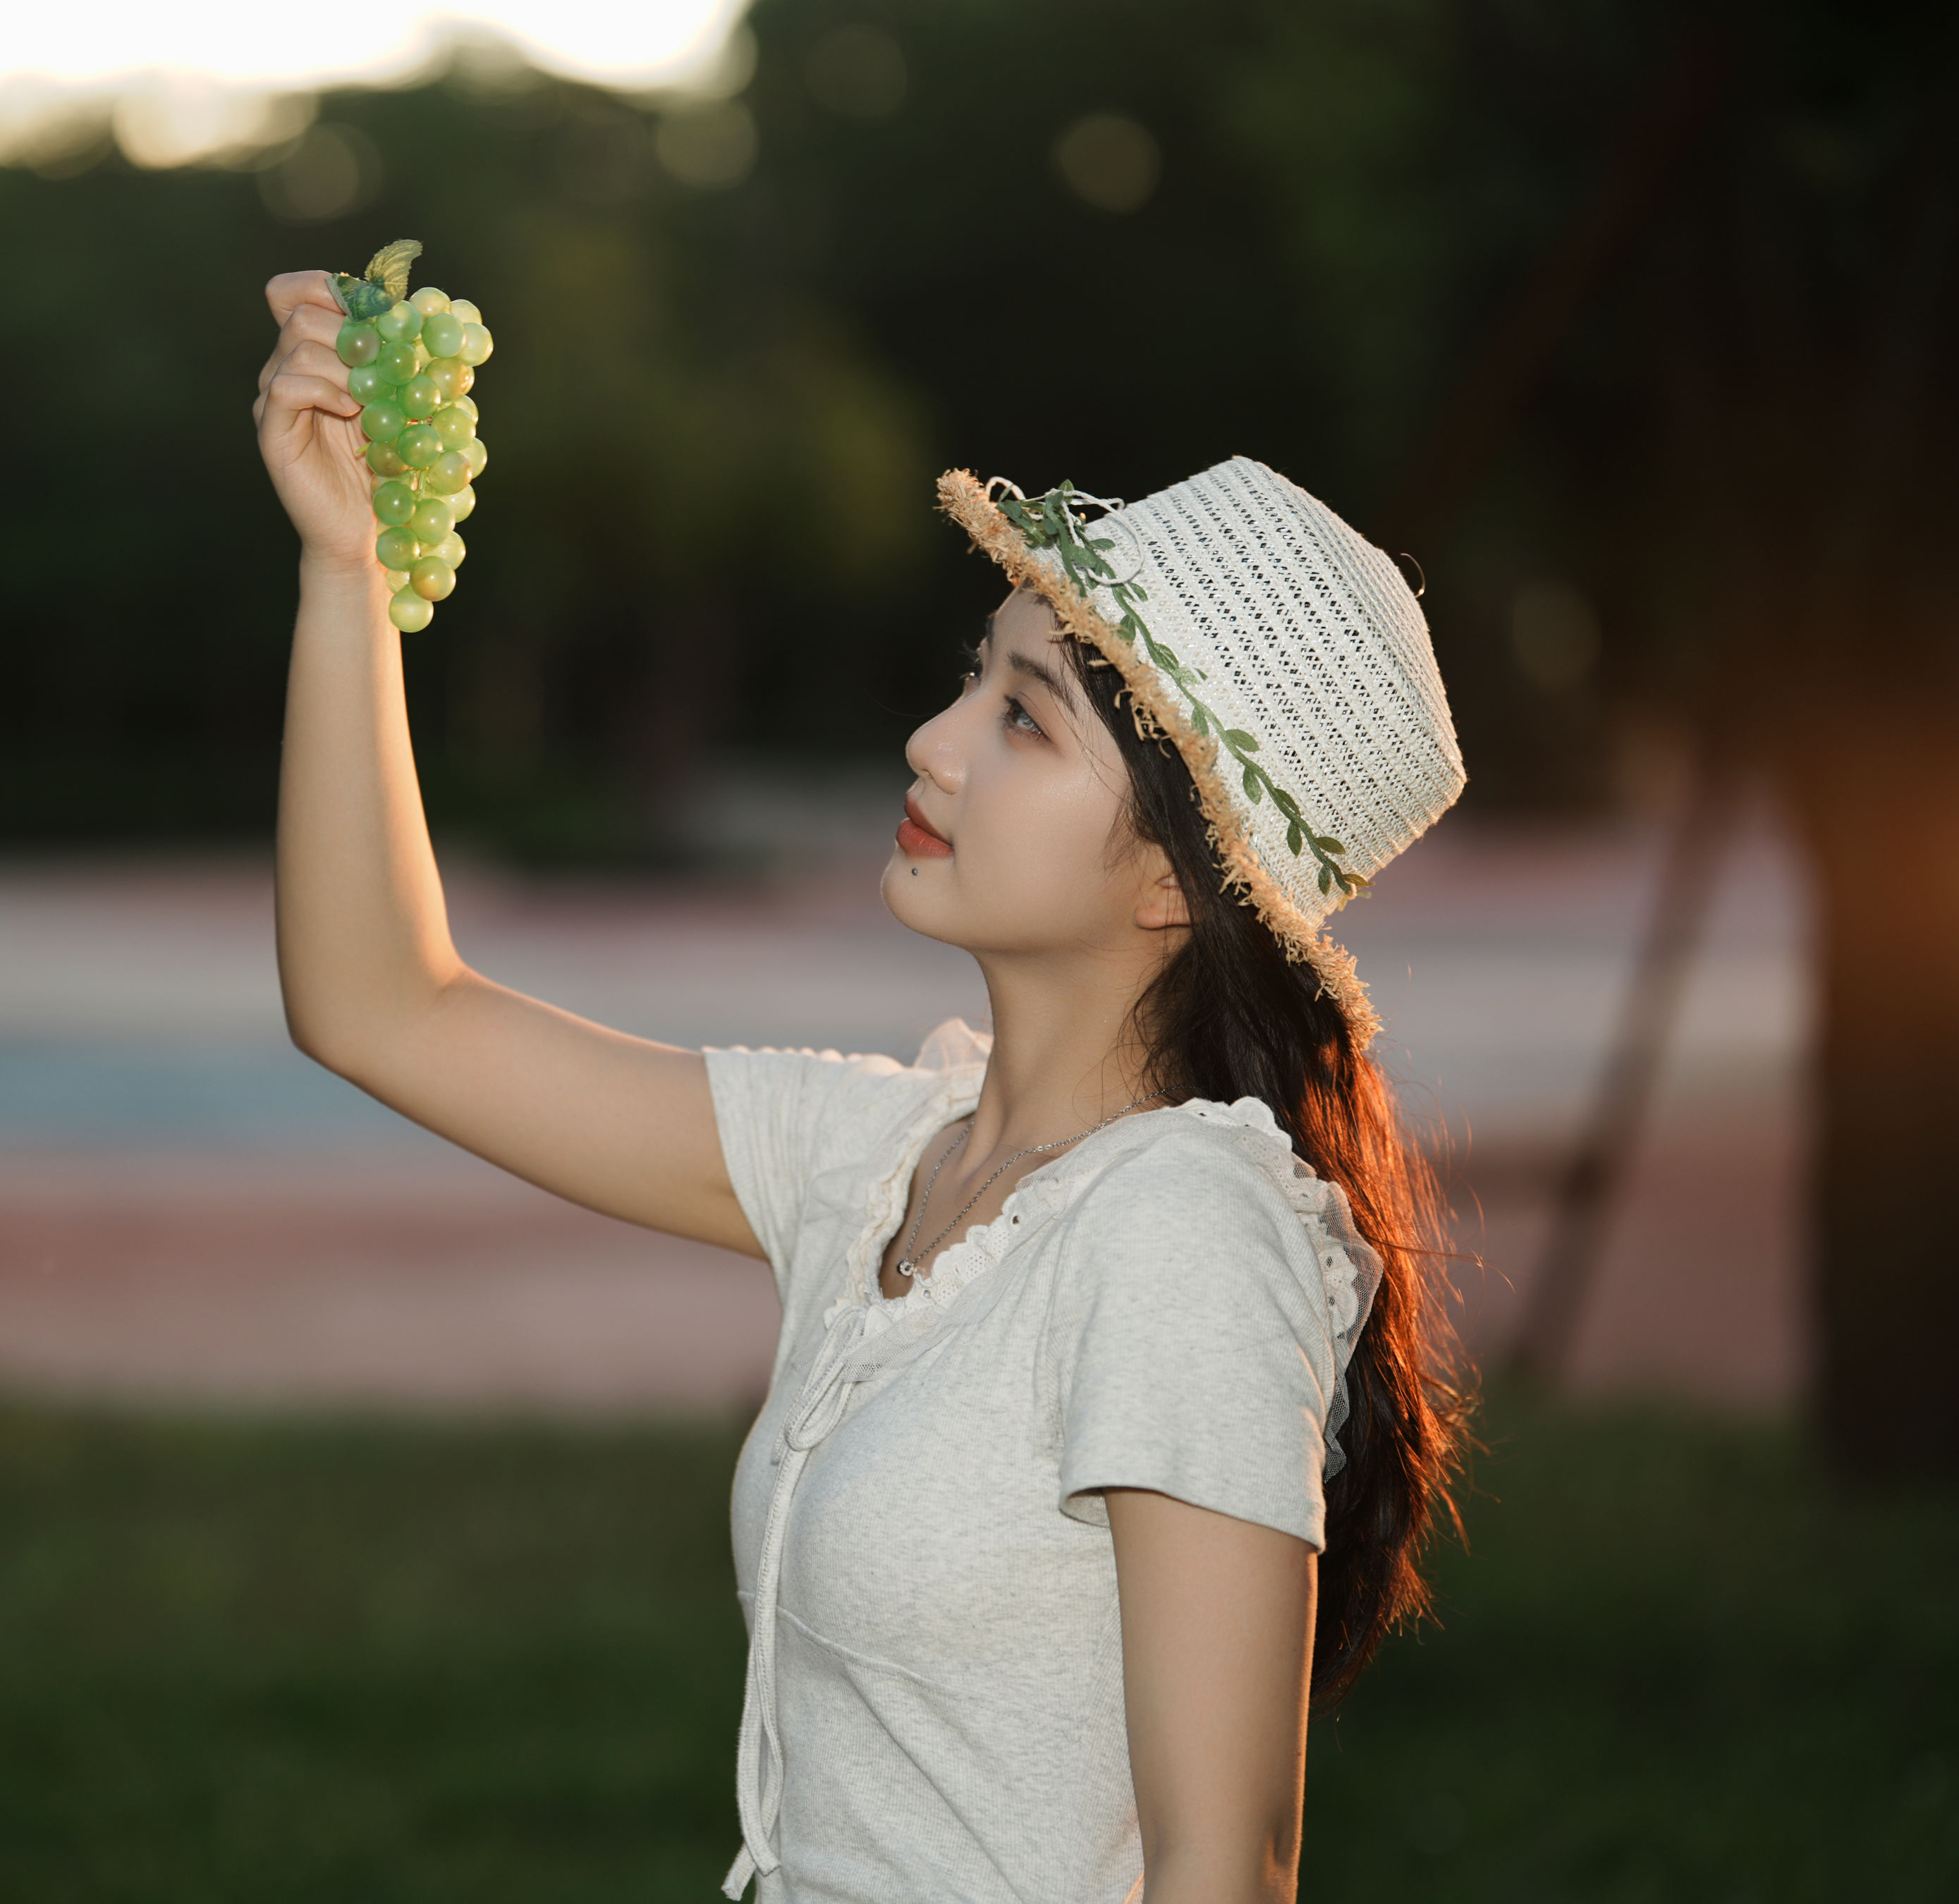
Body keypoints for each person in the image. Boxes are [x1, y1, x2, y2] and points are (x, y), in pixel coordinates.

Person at [253, 267, 1470, 1904]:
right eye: (977, 674)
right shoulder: (887, 1155)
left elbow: (1222, 1870)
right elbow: (382, 1008)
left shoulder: (1182, 1234)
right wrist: (347, 563)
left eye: (1026, 722)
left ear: (1182, 882)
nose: (934, 741)